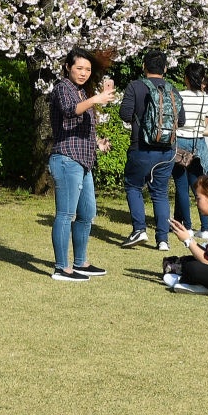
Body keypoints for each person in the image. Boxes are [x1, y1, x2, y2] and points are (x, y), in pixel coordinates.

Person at [49, 48, 117, 281]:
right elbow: (69, 113)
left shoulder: (80, 92)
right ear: (68, 67)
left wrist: (97, 142)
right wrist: (96, 99)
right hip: (67, 159)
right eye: (79, 68)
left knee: (87, 213)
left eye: (87, 69)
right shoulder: (62, 89)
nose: (84, 73)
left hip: (84, 159)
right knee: (66, 214)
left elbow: (79, 125)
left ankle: (80, 263)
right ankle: (61, 267)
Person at [118, 51, 179, 251]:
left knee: (133, 187)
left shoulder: (135, 86)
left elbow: (125, 114)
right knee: (160, 193)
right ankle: (163, 240)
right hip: (167, 150)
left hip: (140, 148)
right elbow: (183, 120)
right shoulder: (172, 89)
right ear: (165, 68)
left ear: (144, 66)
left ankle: (139, 229)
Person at [175, 61, 208, 238]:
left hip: (180, 142)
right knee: (200, 186)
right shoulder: (207, 99)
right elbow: (204, 123)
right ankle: (205, 228)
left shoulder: (179, 96)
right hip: (198, 143)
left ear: (186, 78)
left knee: (181, 186)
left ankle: (187, 227)